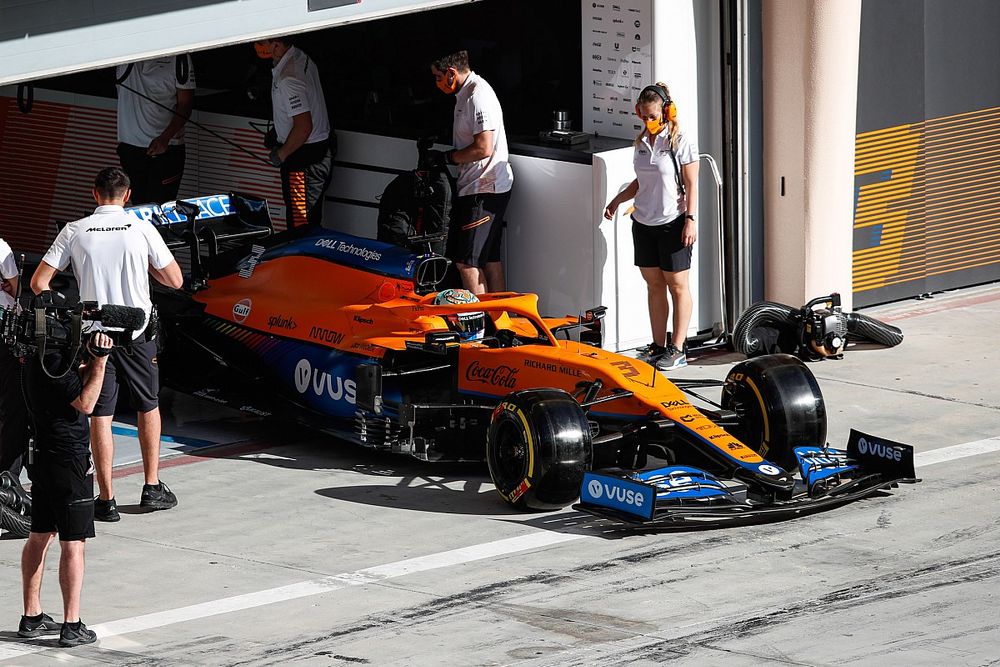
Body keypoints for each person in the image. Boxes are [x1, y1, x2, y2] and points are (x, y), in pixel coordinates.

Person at [32, 167, 184, 522]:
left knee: (101, 412)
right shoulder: (143, 228)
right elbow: (175, 280)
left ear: (94, 194)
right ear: (128, 196)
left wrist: (73, 309)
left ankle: (107, 498)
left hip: (93, 333)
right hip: (137, 331)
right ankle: (151, 486)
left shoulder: (75, 229)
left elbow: (40, 282)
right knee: (148, 404)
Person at [19, 330, 113, 647]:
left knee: (40, 534)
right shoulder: (57, 360)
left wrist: (86, 360)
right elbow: (85, 402)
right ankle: (72, 623)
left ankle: (32, 616)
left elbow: (66, 382)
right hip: (69, 458)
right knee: (74, 542)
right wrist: (99, 363)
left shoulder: (39, 360)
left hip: (42, 455)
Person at [604, 83, 698, 371]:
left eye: (653, 116)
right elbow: (642, 181)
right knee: (654, 286)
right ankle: (658, 346)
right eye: (643, 116)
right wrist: (619, 199)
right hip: (643, 222)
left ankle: (678, 348)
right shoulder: (641, 142)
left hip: (673, 223)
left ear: (667, 112)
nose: (648, 121)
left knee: (677, 286)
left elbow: (693, 183)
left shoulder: (680, 142)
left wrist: (691, 220)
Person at [429, 49, 514, 295]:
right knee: (490, 260)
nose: (436, 83)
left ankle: (478, 329)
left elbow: (483, 147)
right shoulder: (466, 93)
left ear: (451, 73)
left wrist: (447, 157)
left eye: (438, 77)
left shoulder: (478, 96)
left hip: (483, 189)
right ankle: (501, 324)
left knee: (467, 263)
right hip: (485, 186)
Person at [253, 37, 333, 228]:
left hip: (304, 161)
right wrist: (278, 132)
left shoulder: (288, 77)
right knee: (305, 222)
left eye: (264, 43)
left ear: (278, 45)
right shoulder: (300, 56)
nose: (260, 47)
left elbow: (304, 127)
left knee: (301, 225)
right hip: (316, 152)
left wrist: (281, 154)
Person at [115, 55, 196, 206]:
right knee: (139, 207)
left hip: (167, 149)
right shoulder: (125, 54)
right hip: (131, 149)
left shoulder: (180, 57)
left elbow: (185, 105)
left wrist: (165, 138)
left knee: (161, 208)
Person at [0, 237, 29, 479]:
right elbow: (16, 288)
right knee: (12, 407)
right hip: (5, 329)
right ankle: (8, 476)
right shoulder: (0, 247)